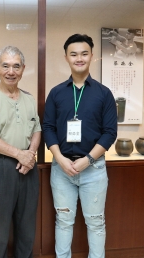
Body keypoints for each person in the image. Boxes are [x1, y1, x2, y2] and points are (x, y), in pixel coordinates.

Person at [42, 34, 117, 258]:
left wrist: (88, 160)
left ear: (92, 56)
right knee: (63, 222)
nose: (79, 58)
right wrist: (60, 159)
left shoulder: (104, 94)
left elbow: (109, 133)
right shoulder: (56, 93)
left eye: (84, 53)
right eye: (74, 54)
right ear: (66, 57)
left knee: (96, 224)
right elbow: (48, 128)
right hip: (61, 168)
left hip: (93, 170)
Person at [0, 46, 41, 258]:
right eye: (5, 66)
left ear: (23, 69)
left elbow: (37, 129)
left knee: (27, 227)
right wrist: (19, 154)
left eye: (16, 66)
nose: (10, 71)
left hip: (28, 167)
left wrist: (29, 155)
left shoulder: (30, 99)